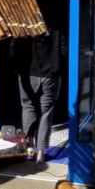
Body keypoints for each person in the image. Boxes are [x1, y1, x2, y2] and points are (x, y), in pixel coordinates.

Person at [14, 27, 61, 164]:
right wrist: (57, 67)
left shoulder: (26, 24)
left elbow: (14, 46)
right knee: (46, 113)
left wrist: (18, 67)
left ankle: (28, 146)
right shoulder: (55, 26)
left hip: (28, 73)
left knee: (28, 107)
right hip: (50, 75)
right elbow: (63, 48)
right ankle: (40, 153)